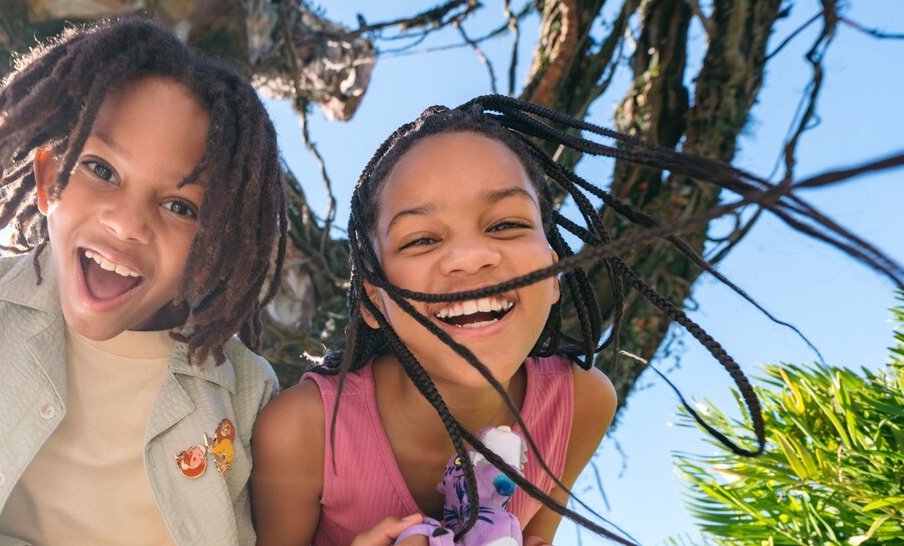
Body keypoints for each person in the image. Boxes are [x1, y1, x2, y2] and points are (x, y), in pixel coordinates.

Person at [251, 96, 807, 546]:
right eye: (421, 238)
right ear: (372, 300)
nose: (471, 257)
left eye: (506, 225)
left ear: (555, 268)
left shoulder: (581, 404)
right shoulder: (302, 433)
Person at [0, 18, 287, 546]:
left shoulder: (247, 395)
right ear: (47, 181)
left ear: (211, 248)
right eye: (102, 170)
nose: (127, 223)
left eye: (180, 205)